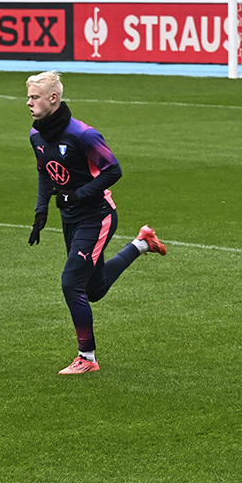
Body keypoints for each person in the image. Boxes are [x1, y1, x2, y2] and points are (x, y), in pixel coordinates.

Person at [26, 71, 166, 374]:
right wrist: (41, 211)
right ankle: (142, 243)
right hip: (70, 218)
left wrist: (77, 196)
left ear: (53, 98)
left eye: (34, 97)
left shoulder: (83, 135)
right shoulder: (36, 135)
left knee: (71, 283)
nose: (28, 102)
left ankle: (86, 358)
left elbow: (113, 170)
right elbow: (43, 172)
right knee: (94, 289)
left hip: (97, 216)